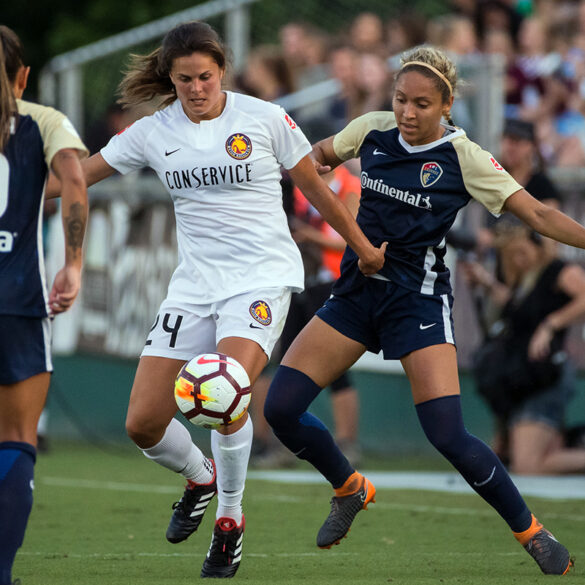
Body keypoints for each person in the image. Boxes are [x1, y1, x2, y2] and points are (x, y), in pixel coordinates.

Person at [48, 21, 384, 579]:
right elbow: (80, 176)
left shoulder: (264, 118)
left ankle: (229, 523)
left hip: (259, 281)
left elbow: (315, 187)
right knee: (142, 424)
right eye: (184, 79)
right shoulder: (153, 132)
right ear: (170, 79)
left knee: (226, 388)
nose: (196, 88)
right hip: (194, 286)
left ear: (222, 71)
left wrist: (363, 247)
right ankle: (201, 477)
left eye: (205, 76)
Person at [263, 45, 585, 576]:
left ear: (446, 105)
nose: (408, 113)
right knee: (281, 409)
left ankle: (533, 533)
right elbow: (313, 160)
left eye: (421, 104)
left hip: (418, 301)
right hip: (356, 295)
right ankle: (349, 488)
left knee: (447, 434)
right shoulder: (372, 129)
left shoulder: (466, 157)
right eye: (401, 100)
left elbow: (537, 212)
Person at [0, 25, 88, 585]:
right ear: (24, 76)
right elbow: (76, 181)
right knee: (16, 438)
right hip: (17, 302)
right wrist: (73, 264)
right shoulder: (42, 120)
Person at [251, 164, 363, 468]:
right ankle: (275, 444)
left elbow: (349, 236)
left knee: (336, 368)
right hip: (299, 280)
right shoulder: (299, 184)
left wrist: (309, 236)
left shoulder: (349, 184)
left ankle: (347, 444)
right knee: (283, 360)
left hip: (334, 281)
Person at [465, 224, 585, 475]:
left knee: (528, 466)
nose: (519, 260)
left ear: (536, 245)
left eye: (522, 252)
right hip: (523, 379)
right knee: (509, 458)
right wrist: (486, 282)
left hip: (546, 377)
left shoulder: (558, 270)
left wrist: (550, 325)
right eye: (512, 256)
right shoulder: (526, 281)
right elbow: (515, 308)